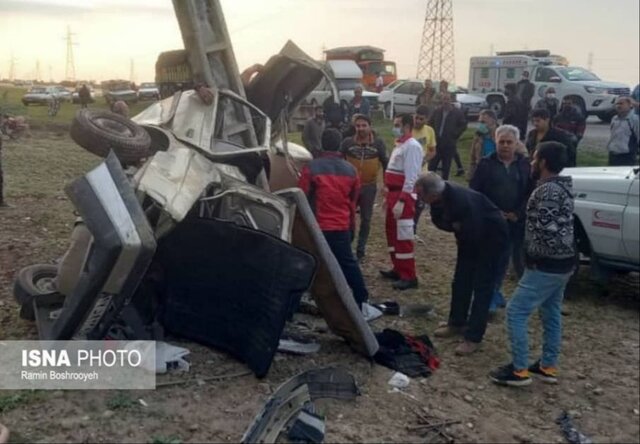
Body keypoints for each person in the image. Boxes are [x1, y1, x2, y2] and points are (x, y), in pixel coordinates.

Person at [490, 141, 575, 386]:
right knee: (551, 313)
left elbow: (547, 233)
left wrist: (530, 258)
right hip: (564, 264)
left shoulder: (546, 192)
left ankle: (519, 370)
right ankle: (548, 365)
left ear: (544, 163)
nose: (531, 162)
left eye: (535, 158)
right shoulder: (562, 187)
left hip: (546, 265)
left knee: (516, 311)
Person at [416, 172, 508, 355]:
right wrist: (453, 225)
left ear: (432, 194)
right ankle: (457, 322)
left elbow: (474, 229)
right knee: (460, 282)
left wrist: (458, 226)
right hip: (469, 240)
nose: (419, 198)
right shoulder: (439, 198)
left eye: (421, 195)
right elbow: (438, 221)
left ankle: (473, 337)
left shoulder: (461, 201)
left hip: (491, 240)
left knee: (482, 287)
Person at [298, 128, 378, 319]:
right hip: (341, 226)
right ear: (340, 145)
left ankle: (293, 305)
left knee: (307, 263)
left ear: (322, 144)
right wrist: (352, 228)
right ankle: (362, 300)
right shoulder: (351, 170)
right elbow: (353, 202)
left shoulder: (311, 168)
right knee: (348, 264)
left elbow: (301, 196)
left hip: (317, 228)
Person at [470, 125, 533, 314]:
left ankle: (494, 292)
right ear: (495, 143)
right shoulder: (485, 164)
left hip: (514, 222)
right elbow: (475, 192)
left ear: (516, 144)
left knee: (503, 261)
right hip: (490, 221)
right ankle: (486, 296)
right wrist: (491, 212)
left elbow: (530, 192)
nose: (505, 146)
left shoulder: (524, 165)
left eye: (509, 142)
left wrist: (517, 213)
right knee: (487, 260)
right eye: (501, 142)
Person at [379, 113, 423, 290]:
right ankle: (397, 268)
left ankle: (409, 276)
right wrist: (387, 196)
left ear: (406, 126)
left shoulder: (412, 146)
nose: (394, 128)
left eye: (397, 124)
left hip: (402, 196)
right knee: (391, 232)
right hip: (393, 195)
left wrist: (402, 200)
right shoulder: (400, 145)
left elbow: (411, 177)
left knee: (403, 235)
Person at [341, 114, 388, 260]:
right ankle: (347, 245)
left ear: (370, 126)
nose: (361, 129)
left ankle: (361, 249)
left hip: (369, 186)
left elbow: (386, 164)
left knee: (366, 219)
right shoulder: (347, 142)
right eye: (358, 126)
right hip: (350, 187)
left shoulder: (378, 143)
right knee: (348, 217)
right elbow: (339, 160)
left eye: (363, 125)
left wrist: (386, 184)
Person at [428, 92, 467, 180]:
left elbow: (463, 125)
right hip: (437, 143)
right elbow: (430, 123)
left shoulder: (457, 113)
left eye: (447, 99)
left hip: (449, 144)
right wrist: (432, 134)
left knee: (446, 169)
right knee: (431, 167)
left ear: (451, 100)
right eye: (444, 99)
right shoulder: (437, 111)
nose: (445, 101)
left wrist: (455, 134)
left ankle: (444, 187)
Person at [412, 105, 437, 234]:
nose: (417, 121)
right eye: (416, 118)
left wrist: (424, 160)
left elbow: (432, 151)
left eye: (421, 119)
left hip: (422, 172)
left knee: (419, 203)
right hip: (408, 172)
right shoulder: (407, 129)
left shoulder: (429, 131)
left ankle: (414, 227)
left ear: (426, 119)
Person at [606, 96, 639, 166]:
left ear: (630, 105)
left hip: (627, 156)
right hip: (613, 154)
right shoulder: (614, 119)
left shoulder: (634, 120)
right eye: (617, 104)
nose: (618, 106)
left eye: (621, 103)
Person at [468, 110, 498, 179]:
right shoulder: (478, 135)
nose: (480, 125)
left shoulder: (501, 135)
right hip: (481, 170)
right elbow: (472, 156)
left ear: (493, 121)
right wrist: (471, 174)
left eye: (483, 122)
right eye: (479, 122)